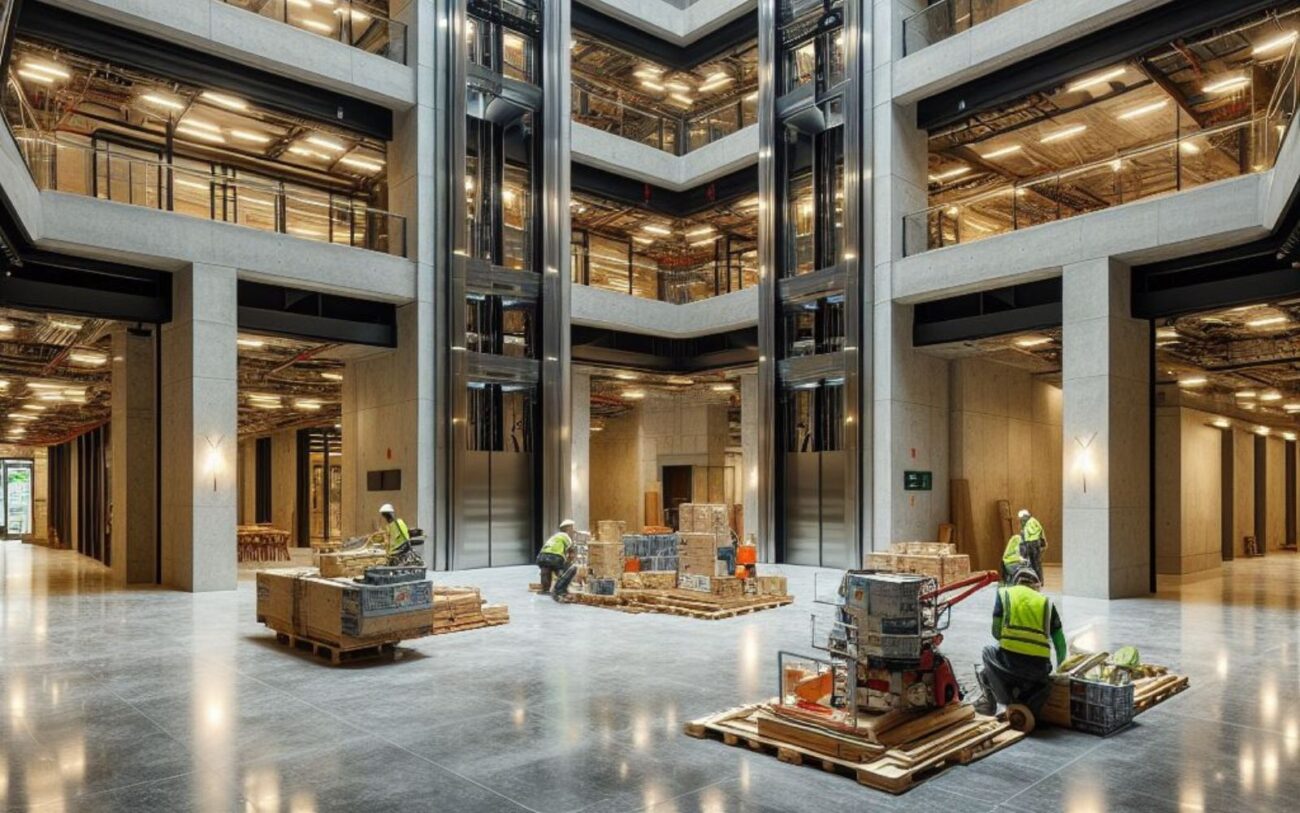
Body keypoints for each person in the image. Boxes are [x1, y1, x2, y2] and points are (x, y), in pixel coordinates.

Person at [973, 566, 1066, 720]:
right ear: (1037, 586)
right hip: (1038, 670)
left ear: (1016, 583)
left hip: (1008, 665)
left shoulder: (1005, 594)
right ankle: (1028, 699)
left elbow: (996, 632)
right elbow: (1060, 644)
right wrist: (1060, 672)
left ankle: (990, 702)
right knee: (1041, 684)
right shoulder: (1046, 603)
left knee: (987, 652)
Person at [537, 519, 576, 597]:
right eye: (573, 529)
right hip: (555, 557)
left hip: (542, 556)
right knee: (561, 573)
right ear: (568, 529)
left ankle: (545, 589)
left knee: (545, 572)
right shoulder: (566, 537)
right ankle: (560, 589)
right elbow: (571, 552)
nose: (574, 531)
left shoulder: (554, 536)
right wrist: (569, 562)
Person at [1017, 508, 1047, 582]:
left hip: (1031, 544)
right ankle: (1040, 580)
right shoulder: (1034, 521)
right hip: (1036, 543)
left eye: (1021, 518)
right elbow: (1041, 531)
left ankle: (1035, 580)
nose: (1021, 520)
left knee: (1031, 562)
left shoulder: (1028, 523)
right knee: (1037, 563)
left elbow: (1027, 535)